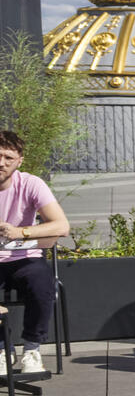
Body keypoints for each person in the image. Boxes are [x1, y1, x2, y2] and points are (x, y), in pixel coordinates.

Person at [0, 129, 72, 377]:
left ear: (19, 161)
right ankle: (2, 350)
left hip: (24, 257)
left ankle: (31, 349)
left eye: (8, 157)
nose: (2, 163)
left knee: (42, 283)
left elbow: (61, 226)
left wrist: (21, 232)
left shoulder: (30, 184)